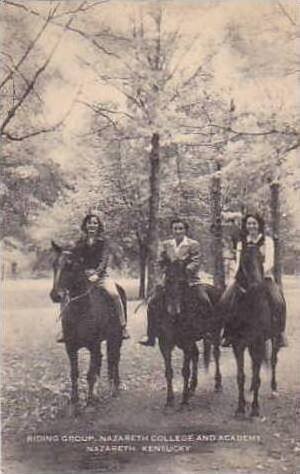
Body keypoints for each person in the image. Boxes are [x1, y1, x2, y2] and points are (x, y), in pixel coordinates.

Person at [139, 217, 213, 347]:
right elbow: (159, 262)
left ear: (185, 230)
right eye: (175, 228)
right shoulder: (166, 244)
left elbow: (196, 261)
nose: (178, 231)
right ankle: (150, 335)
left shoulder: (193, 244)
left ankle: (208, 330)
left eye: (181, 228)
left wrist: (185, 270)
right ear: (172, 230)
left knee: (204, 299)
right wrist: (161, 276)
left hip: (189, 280)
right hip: (170, 280)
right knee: (153, 302)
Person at [57, 213, 129, 342]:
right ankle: (64, 330)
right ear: (85, 225)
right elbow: (76, 259)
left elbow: (104, 259)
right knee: (66, 294)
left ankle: (123, 327)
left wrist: (97, 273)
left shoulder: (104, 242)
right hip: (83, 276)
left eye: (95, 223)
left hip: (101, 276)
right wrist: (83, 271)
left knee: (115, 294)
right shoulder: (80, 242)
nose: (92, 225)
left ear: (98, 225)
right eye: (90, 223)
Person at [220, 212, 287, 348]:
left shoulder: (267, 241)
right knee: (225, 299)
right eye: (249, 223)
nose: (251, 226)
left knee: (278, 301)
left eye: (254, 223)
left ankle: (279, 333)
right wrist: (239, 277)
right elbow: (239, 262)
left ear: (259, 225)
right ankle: (228, 333)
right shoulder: (241, 242)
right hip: (243, 278)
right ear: (246, 225)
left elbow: (270, 262)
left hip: (264, 277)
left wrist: (258, 274)